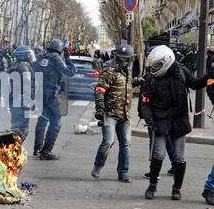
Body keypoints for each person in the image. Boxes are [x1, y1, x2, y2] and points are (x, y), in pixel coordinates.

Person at [140, 45, 214, 200]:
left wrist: (210, 76)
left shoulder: (181, 72)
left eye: (157, 65)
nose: (154, 68)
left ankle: (176, 189)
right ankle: (152, 186)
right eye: (152, 65)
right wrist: (149, 119)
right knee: (158, 154)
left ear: (166, 61)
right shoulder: (151, 79)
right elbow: (144, 102)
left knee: (179, 158)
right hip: (160, 122)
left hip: (179, 122)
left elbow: (196, 84)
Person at [91, 44, 141, 182]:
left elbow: (127, 84)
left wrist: (137, 82)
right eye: (121, 58)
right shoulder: (109, 71)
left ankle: (123, 172)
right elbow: (100, 89)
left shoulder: (127, 71)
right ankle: (97, 166)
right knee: (108, 142)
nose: (123, 60)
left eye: (126, 59)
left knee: (126, 144)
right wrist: (100, 107)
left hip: (124, 115)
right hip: (110, 114)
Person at [33, 39, 76, 160]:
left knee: (42, 120)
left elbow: (33, 69)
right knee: (56, 122)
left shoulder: (41, 56)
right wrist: (67, 58)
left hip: (39, 92)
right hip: (50, 92)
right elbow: (71, 72)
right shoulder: (56, 58)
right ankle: (46, 151)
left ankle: (37, 148)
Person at [8, 45, 36, 142]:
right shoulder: (25, 68)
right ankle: (14, 150)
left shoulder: (14, 65)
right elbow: (27, 85)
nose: (30, 56)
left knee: (15, 127)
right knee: (23, 129)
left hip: (14, 100)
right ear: (24, 55)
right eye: (29, 54)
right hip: (23, 101)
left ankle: (12, 151)